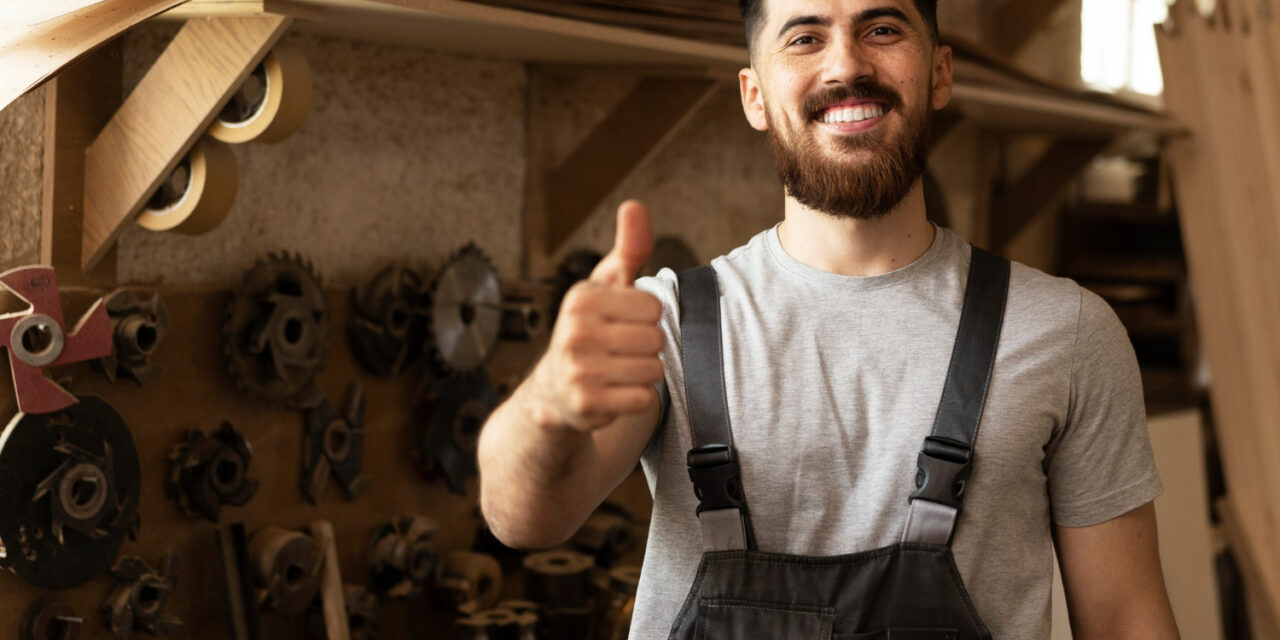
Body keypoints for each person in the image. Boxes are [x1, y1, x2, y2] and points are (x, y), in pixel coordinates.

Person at [478, 0, 1181, 637]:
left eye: (881, 29)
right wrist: (548, 406)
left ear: (939, 74)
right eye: (805, 37)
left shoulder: (1067, 332)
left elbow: (1126, 619)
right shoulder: (666, 323)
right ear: (754, 95)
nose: (846, 65)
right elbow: (522, 519)